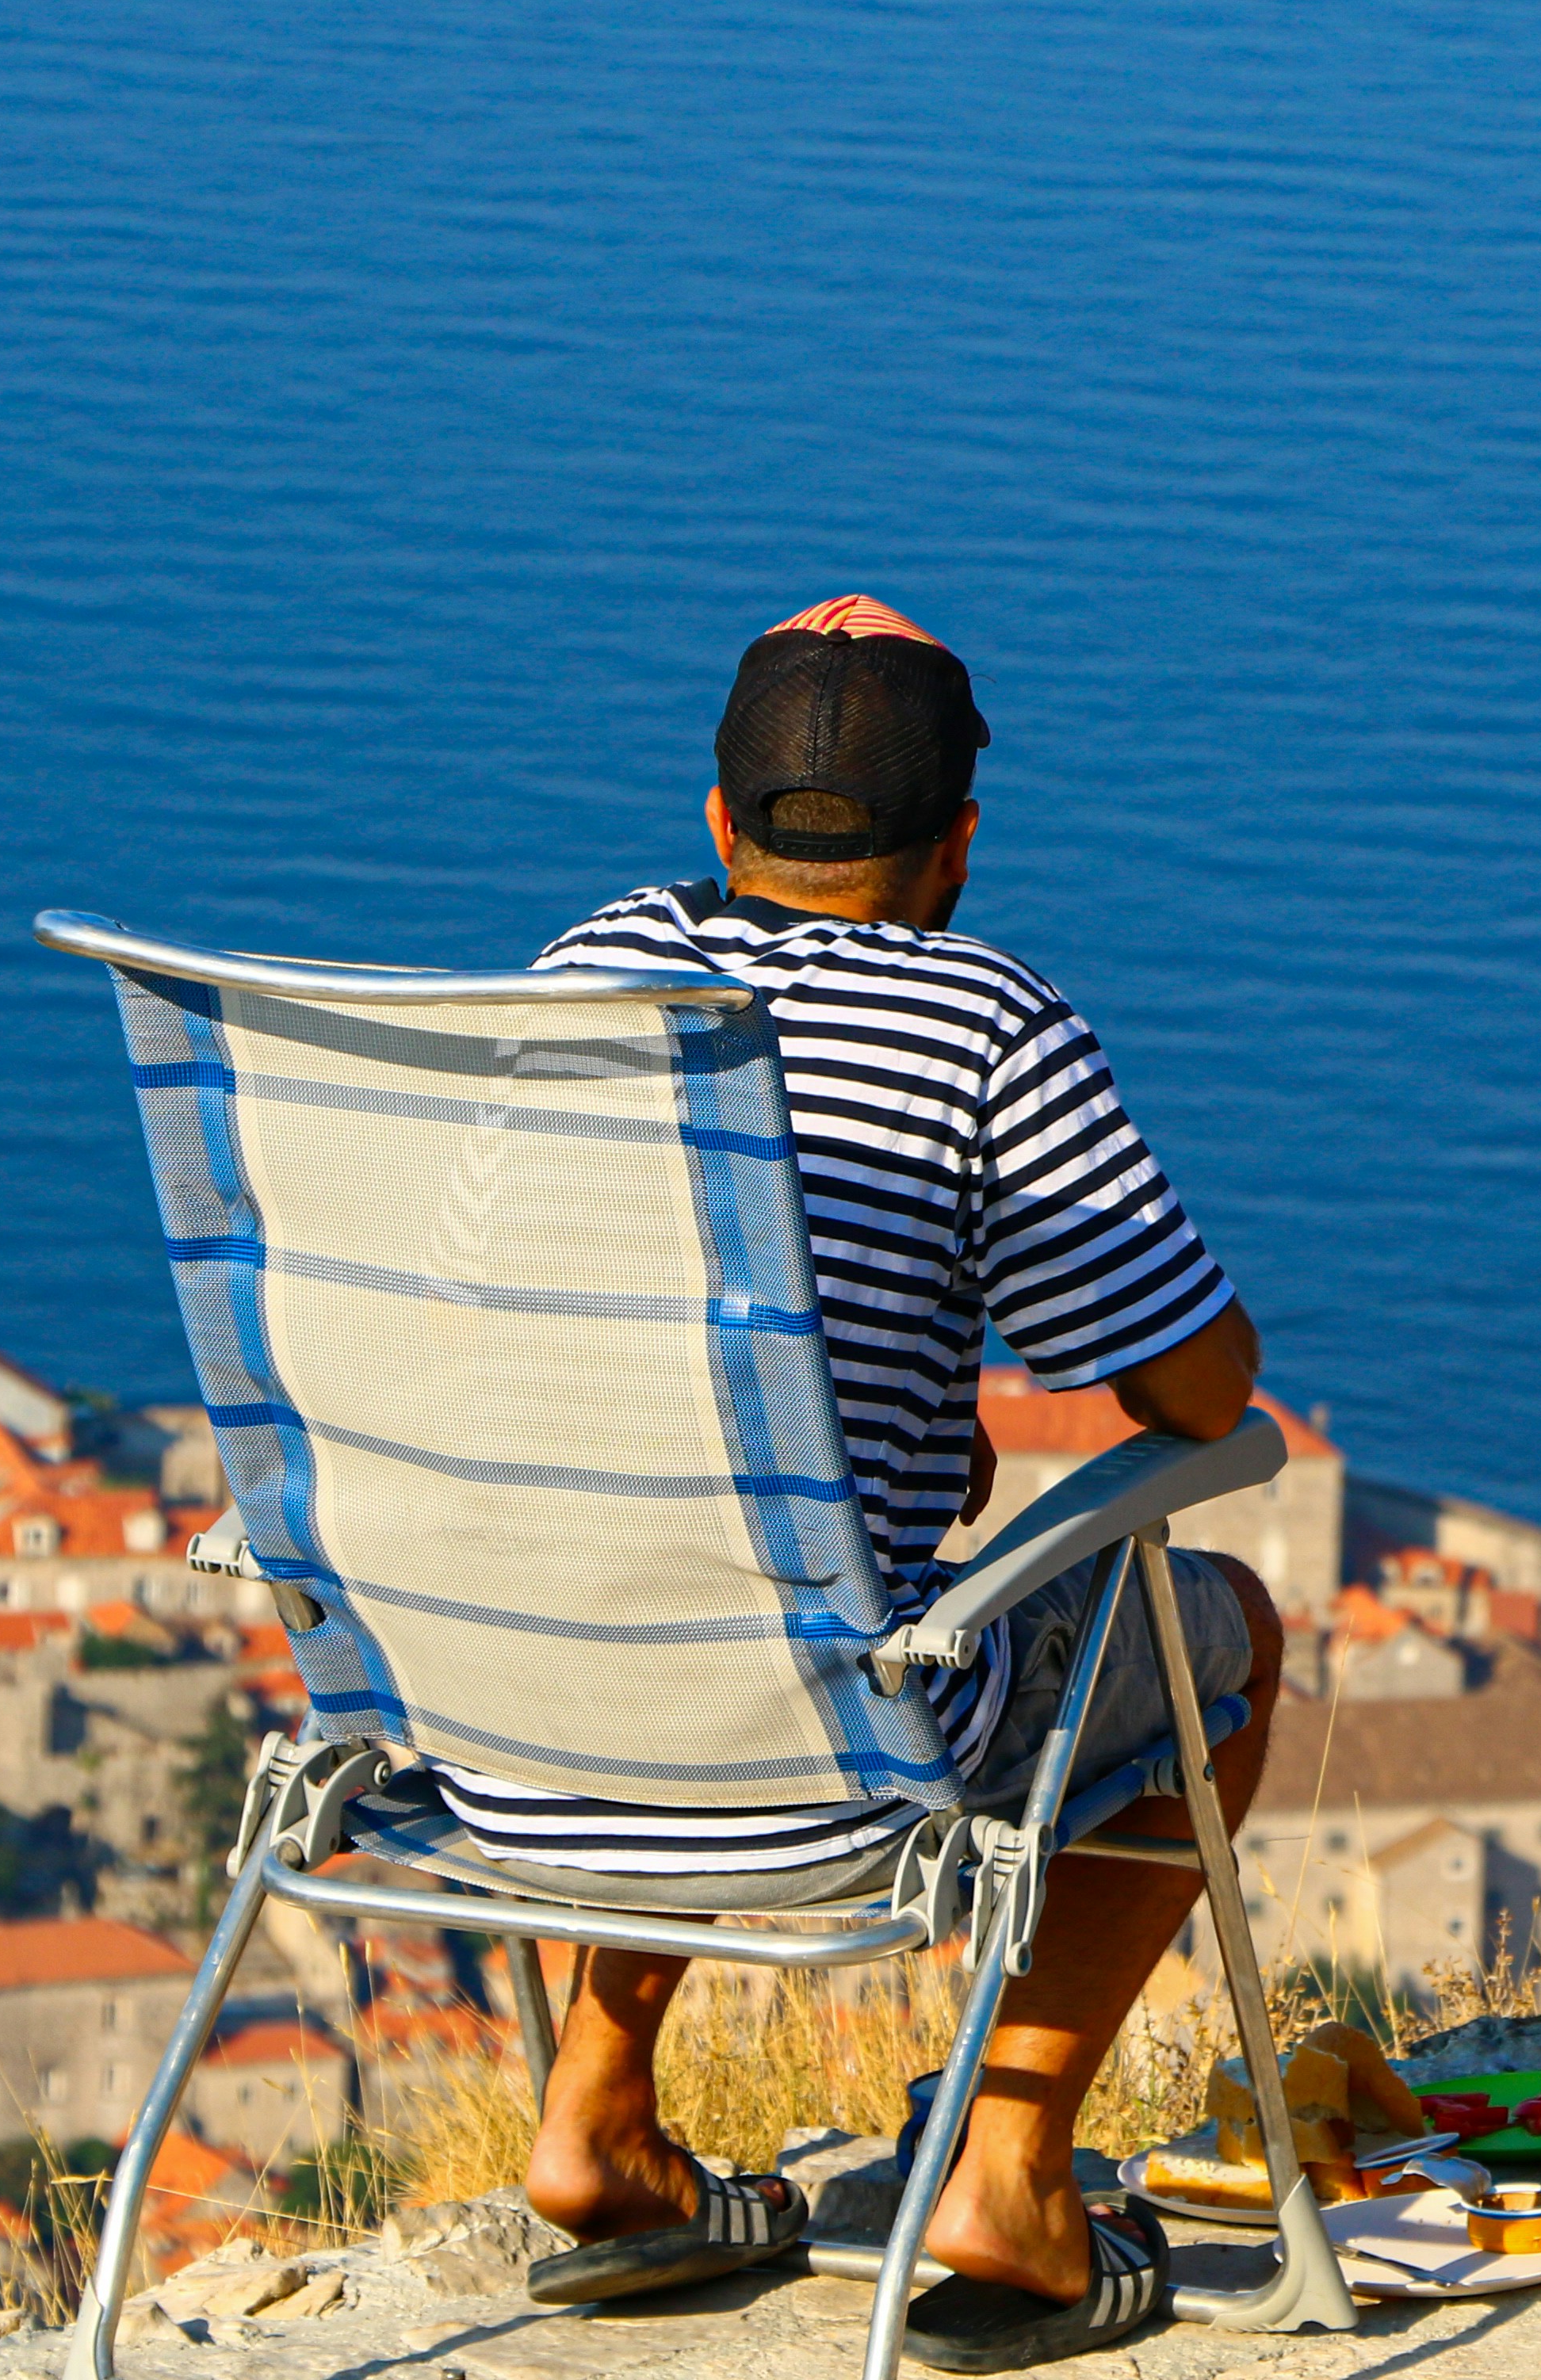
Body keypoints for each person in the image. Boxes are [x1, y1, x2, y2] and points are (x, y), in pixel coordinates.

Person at [488, 592, 1278, 2374]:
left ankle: (598, 2110)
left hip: (520, 1691)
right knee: (1224, 1639)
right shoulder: (983, 1018)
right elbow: (1202, 1385)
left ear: (717, 823)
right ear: (961, 847)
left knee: (668, 1553)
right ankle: (1010, 2173)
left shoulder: (592, 963)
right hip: (827, 1744)